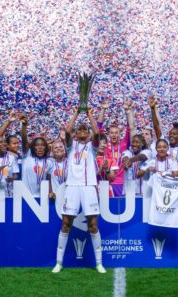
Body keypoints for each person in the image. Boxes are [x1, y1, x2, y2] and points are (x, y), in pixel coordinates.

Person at [53, 107, 105, 274]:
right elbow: (67, 132)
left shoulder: (92, 146)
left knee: (93, 224)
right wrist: (76, 113)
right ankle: (59, 262)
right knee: (66, 223)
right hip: (72, 187)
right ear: (76, 134)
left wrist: (89, 113)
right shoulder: (71, 146)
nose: (82, 131)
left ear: (88, 133)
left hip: (89, 186)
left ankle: (99, 263)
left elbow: (97, 133)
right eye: (79, 129)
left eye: (85, 129)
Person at [149, 95, 178, 160]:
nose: (171, 136)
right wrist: (152, 109)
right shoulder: (164, 145)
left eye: (174, 134)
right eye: (170, 133)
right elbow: (156, 126)